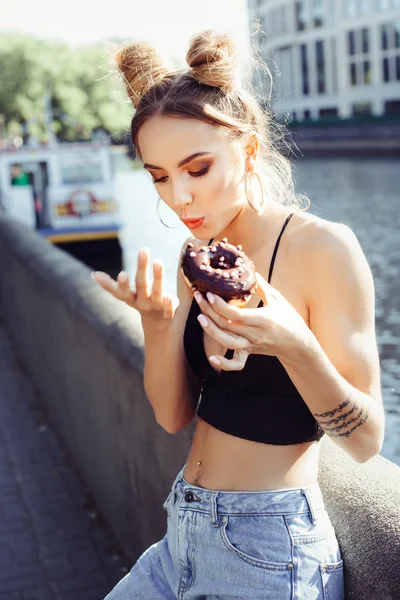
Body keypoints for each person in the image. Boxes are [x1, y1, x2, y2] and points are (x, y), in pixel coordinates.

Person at [92, 30, 385, 600]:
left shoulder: (323, 249)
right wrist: (156, 322)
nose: (178, 198)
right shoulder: (194, 257)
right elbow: (173, 415)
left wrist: (294, 344)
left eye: (196, 169)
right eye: (158, 176)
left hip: (270, 552)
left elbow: (367, 440)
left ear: (248, 151)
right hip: (182, 528)